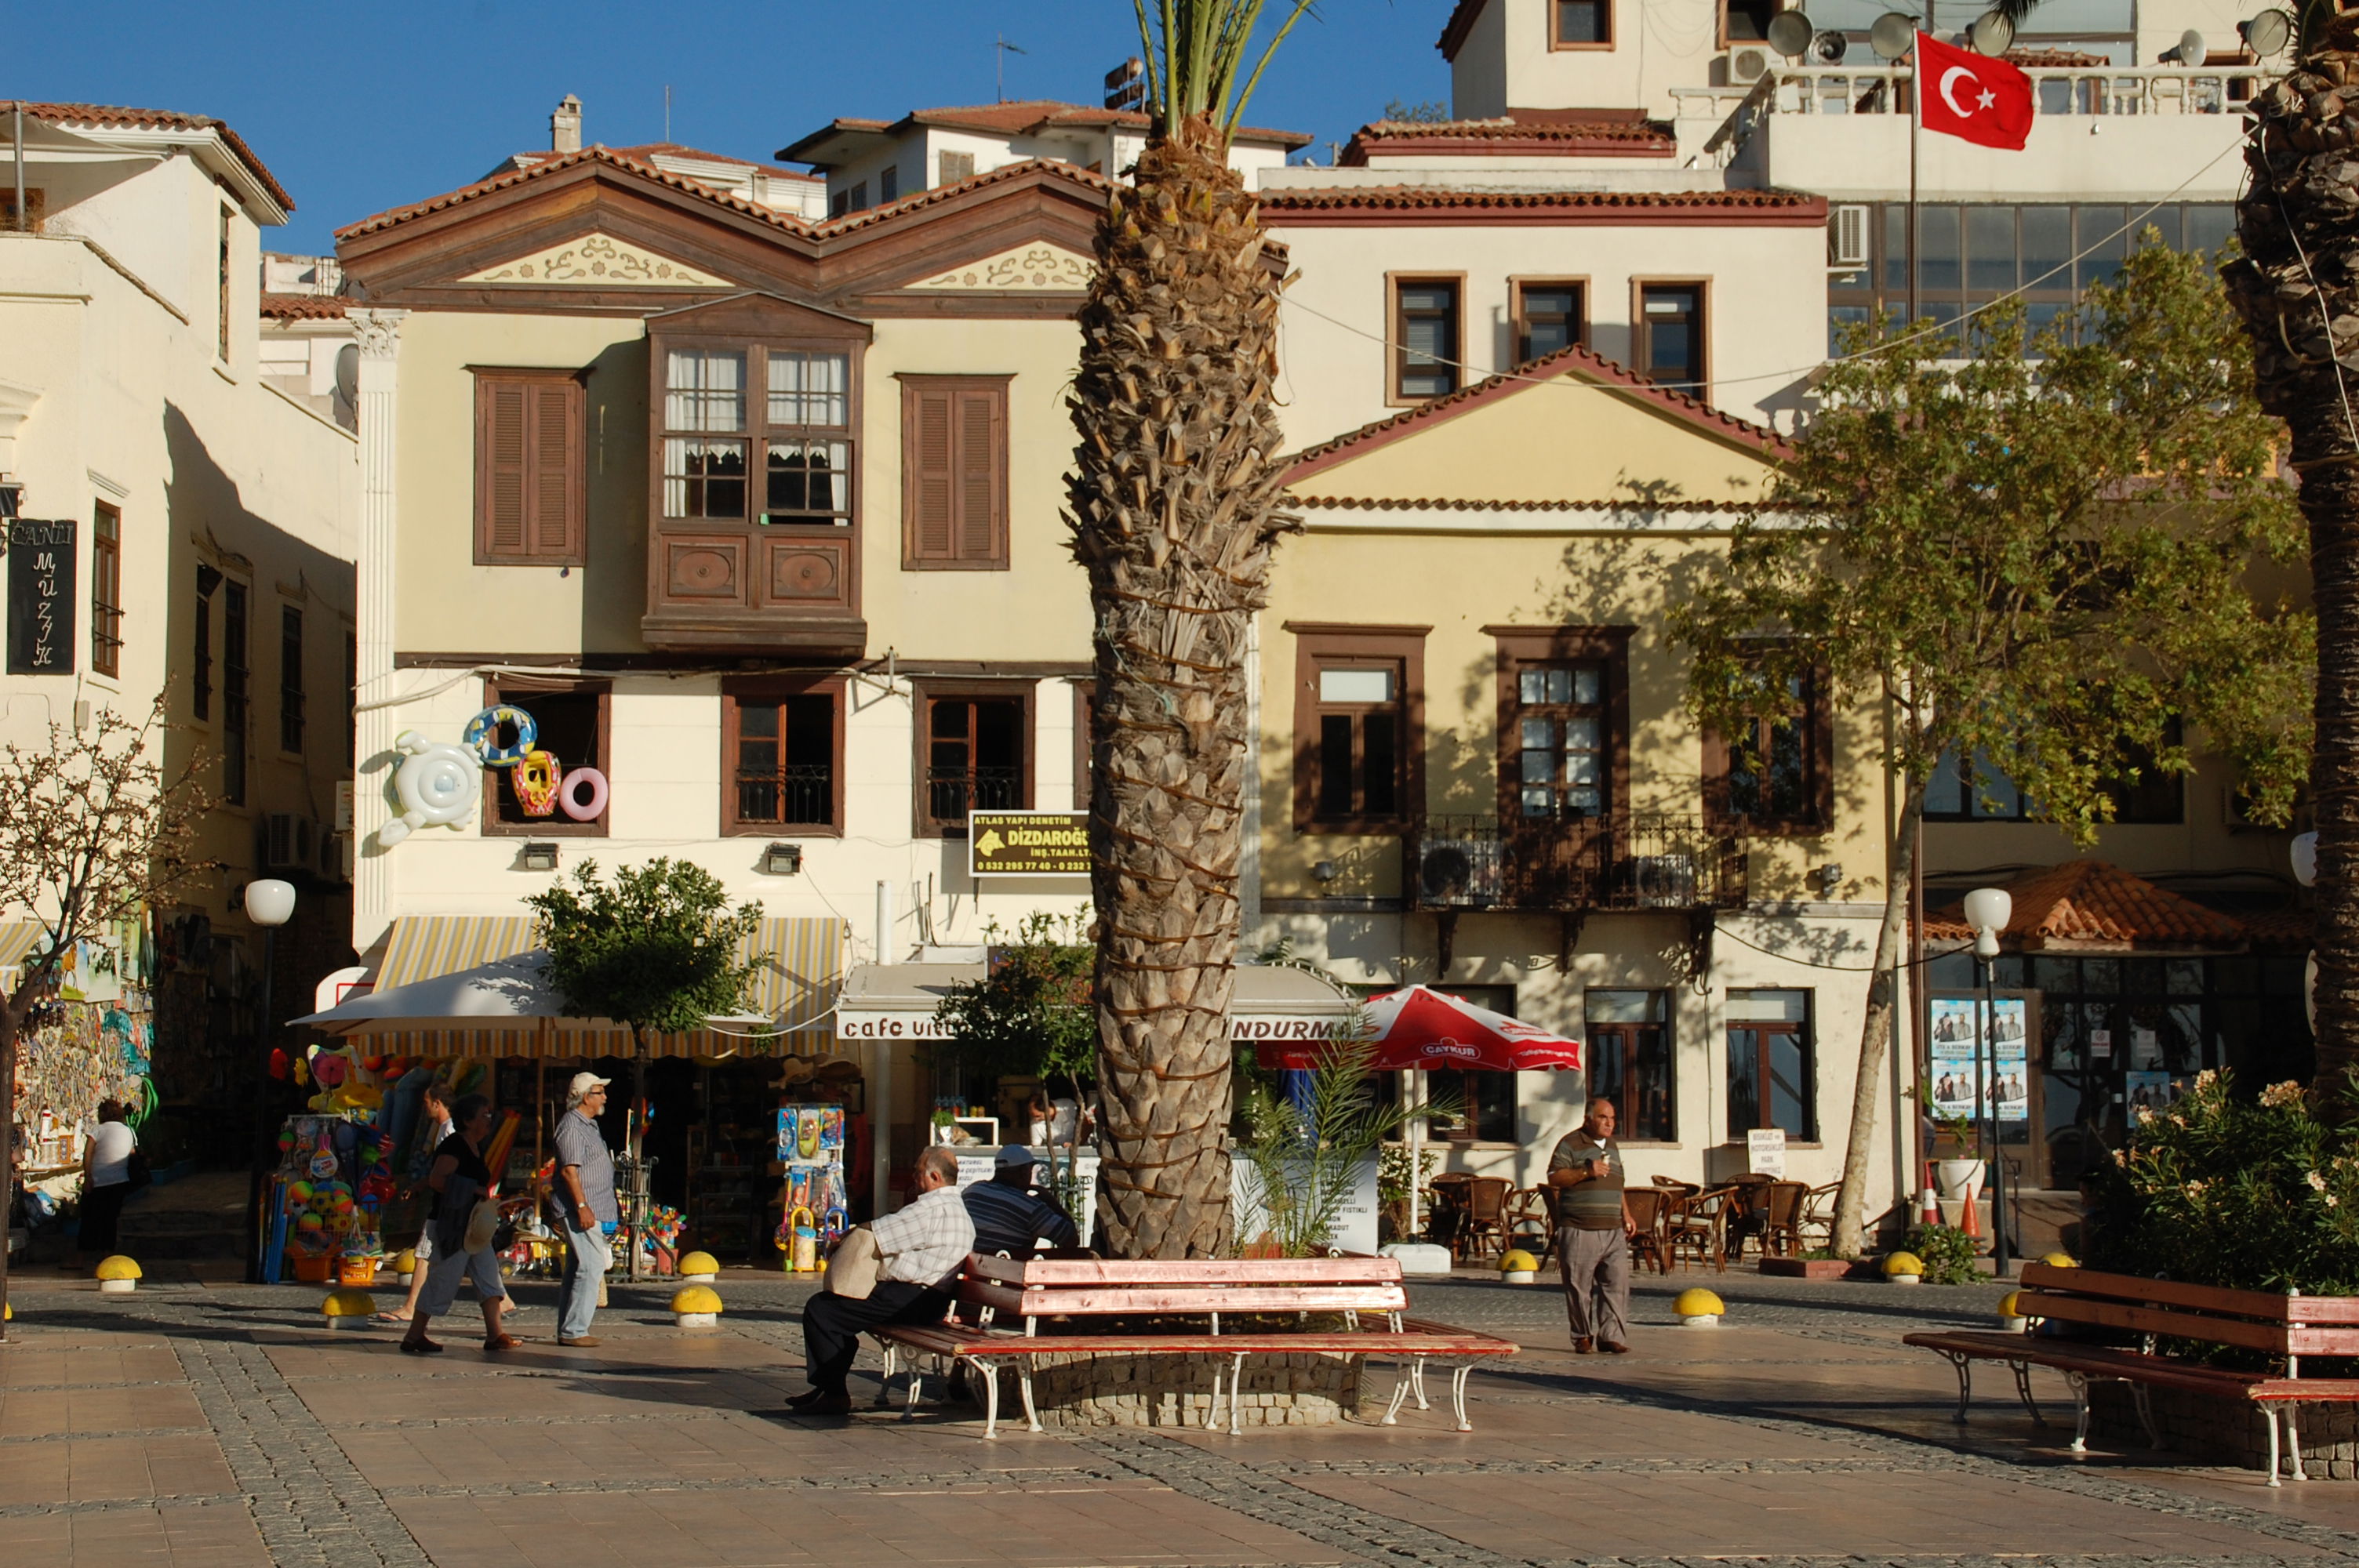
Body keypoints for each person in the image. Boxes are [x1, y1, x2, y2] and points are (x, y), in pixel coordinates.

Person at [791, 1145, 976, 1416]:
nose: (915, 1178)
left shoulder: (934, 1209)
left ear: (935, 1177)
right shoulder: (957, 1209)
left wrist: (846, 1237)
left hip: (909, 1299)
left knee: (822, 1310)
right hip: (927, 1299)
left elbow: (880, 1231)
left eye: (918, 1172)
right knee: (834, 1311)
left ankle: (834, 1394)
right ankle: (830, 1387)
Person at [400, 1094, 518, 1355]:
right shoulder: (454, 1146)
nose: (489, 1120)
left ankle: (495, 1334)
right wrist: (473, 1189)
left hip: (474, 1227)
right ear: (467, 1120)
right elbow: (437, 1180)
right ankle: (414, 1336)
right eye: (484, 1115)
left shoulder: (477, 1145)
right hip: (452, 1225)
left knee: (489, 1276)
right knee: (442, 1280)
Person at [1548, 1096, 1634, 1356]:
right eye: (1603, 1117)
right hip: (1579, 1227)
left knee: (1616, 1284)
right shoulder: (1570, 1143)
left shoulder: (1613, 1145)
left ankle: (1611, 1337)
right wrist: (1587, 1171)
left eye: (1612, 1118)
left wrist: (1627, 1215)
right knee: (1579, 1287)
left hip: (1612, 1229)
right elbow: (1554, 1177)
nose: (1609, 1123)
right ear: (1588, 1119)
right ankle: (1582, 1336)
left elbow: (1618, 1184)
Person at [376, 1080, 453, 1324]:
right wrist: (421, 1186)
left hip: (448, 1204)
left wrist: (435, 1186)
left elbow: (448, 1168)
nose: (425, 1108)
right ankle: (502, 1302)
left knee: (424, 1253)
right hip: (450, 1203)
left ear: (438, 1103)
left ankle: (412, 1307)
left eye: (427, 1103)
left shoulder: (449, 1130)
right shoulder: (443, 1129)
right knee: (477, 1256)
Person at [551, 1072, 616, 1348]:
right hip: (579, 1208)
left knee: (579, 1266)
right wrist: (581, 1206)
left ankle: (570, 1327)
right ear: (585, 1096)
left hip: (593, 1207)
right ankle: (575, 1330)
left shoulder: (589, 1125)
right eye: (600, 1092)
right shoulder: (572, 1127)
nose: (605, 1097)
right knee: (592, 1266)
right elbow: (569, 1171)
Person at [962, 1145, 1078, 1260]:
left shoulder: (972, 1192)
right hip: (1008, 1272)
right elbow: (1071, 1239)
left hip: (971, 1269)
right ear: (1024, 1171)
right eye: (1030, 1169)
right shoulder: (1029, 1206)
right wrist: (1051, 1202)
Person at [76, 1101, 136, 1268]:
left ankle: (81, 1258)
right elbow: (132, 1152)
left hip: (99, 1181)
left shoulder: (98, 1130)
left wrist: (88, 1177)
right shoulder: (128, 1131)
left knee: (89, 1219)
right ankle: (107, 1256)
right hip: (120, 1181)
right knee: (110, 1219)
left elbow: (87, 1154)